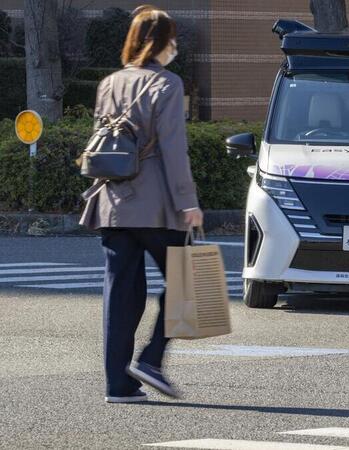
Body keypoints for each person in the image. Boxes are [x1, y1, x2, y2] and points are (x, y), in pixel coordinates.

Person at [79, 5, 203, 403]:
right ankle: (151, 359)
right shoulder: (167, 85)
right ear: (162, 42)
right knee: (188, 282)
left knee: (120, 293)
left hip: (113, 201)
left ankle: (118, 384)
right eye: (173, 39)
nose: (176, 46)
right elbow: (173, 150)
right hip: (157, 205)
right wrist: (189, 203)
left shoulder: (109, 83)